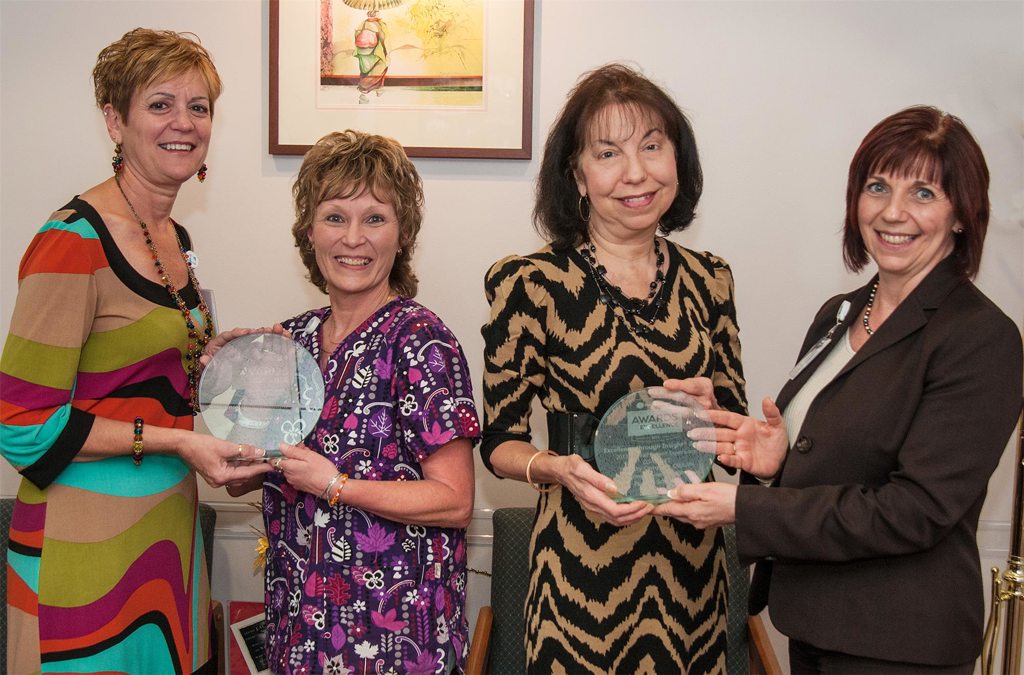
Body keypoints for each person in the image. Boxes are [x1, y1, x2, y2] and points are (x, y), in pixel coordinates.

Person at [659, 106, 1023, 673]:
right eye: (877, 187)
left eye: (924, 193)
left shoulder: (982, 338)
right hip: (814, 622)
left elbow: (916, 509)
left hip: (899, 643)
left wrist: (747, 506)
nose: (893, 212)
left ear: (961, 214)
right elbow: (831, 456)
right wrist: (768, 460)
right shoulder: (842, 312)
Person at [0, 28, 270, 673]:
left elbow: (138, 374)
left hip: (165, 538)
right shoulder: (71, 241)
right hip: (82, 547)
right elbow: (22, 425)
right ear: (113, 120)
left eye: (199, 107)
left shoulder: (175, 234)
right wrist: (181, 442)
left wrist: (216, 359)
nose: (184, 123)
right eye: (160, 104)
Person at [480, 63, 747, 673]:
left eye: (652, 146)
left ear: (678, 157)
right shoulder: (531, 284)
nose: (636, 173)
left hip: (693, 579)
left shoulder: (711, 280)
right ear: (576, 174)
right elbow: (500, 442)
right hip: (579, 578)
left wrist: (718, 419)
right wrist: (556, 469)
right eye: (608, 153)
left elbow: (736, 444)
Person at [226, 130, 480, 674]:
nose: (354, 239)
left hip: (395, 637)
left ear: (402, 233)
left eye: (375, 218)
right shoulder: (291, 341)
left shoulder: (421, 339)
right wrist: (225, 382)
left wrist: (335, 485)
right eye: (336, 217)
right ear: (309, 232)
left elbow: (454, 501)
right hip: (300, 625)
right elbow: (242, 473)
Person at [354, 9, 389, 104]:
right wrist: (386, 50)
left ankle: (365, 93)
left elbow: (356, 35)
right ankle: (375, 90)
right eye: (378, 11)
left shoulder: (363, 23)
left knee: (365, 71)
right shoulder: (380, 24)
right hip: (375, 51)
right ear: (376, 13)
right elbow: (383, 39)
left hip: (362, 51)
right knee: (381, 66)